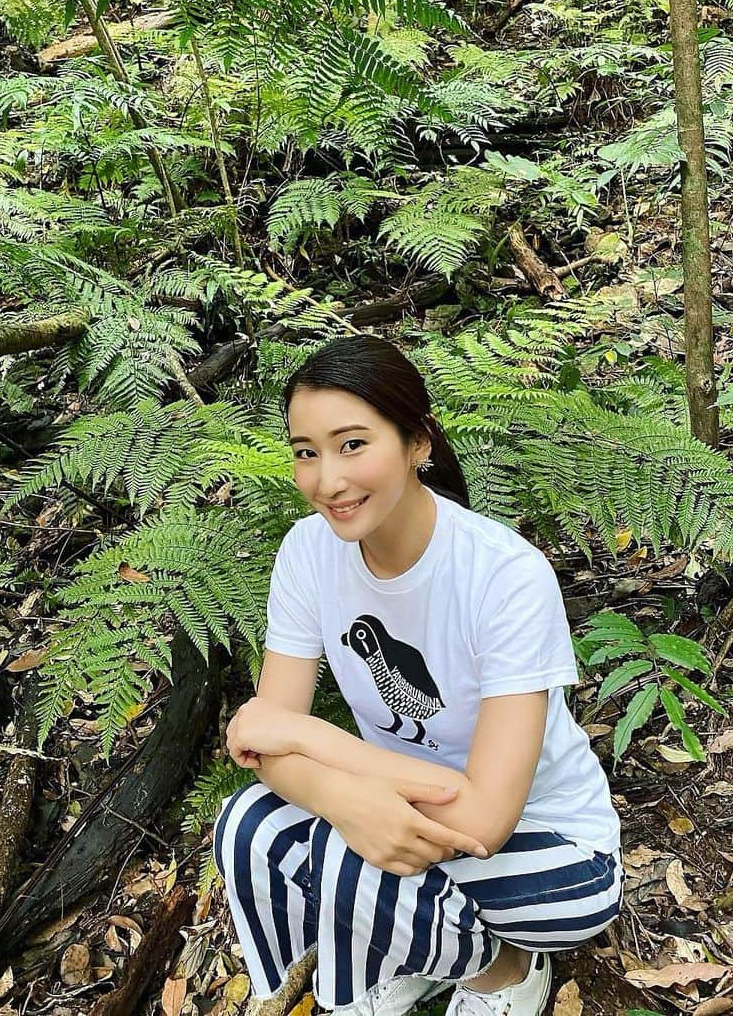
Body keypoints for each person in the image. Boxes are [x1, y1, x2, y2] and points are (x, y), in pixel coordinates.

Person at [213, 335, 621, 1016]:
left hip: (550, 849)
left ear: (418, 443)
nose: (327, 479)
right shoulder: (308, 553)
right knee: (244, 825)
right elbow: (265, 748)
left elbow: (487, 816)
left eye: (351, 444)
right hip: (409, 810)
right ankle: (339, 978)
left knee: (348, 854)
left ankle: (504, 969)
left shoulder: (502, 575)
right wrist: (347, 800)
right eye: (306, 452)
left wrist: (330, 756)